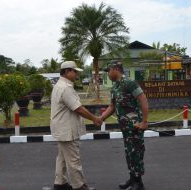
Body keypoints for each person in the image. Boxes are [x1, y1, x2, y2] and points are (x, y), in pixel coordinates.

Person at [50, 61, 102, 190]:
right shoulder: (66, 88)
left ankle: (60, 182)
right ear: (67, 71)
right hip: (67, 129)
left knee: (62, 157)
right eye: (75, 71)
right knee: (73, 159)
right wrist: (94, 118)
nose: (77, 74)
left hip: (62, 127)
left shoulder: (59, 85)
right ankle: (79, 186)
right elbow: (78, 108)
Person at [101, 61, 148, 190]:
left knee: (136, 152)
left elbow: (143, 99)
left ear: (115, 69)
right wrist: (101, 118)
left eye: (108, 70)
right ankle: (132, 178)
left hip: (135, 125)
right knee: (129, 152)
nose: (108, 73)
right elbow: (112, 106)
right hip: (125, 127)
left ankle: (138, 183)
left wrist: (144, 121)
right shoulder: (115, 87)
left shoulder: (129, 83)